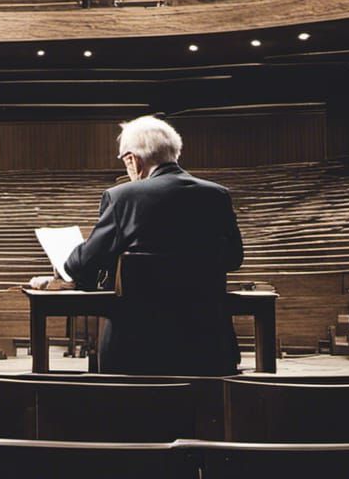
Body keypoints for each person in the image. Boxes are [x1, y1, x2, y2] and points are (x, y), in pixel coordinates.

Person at [30, 115, 243, 375]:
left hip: (135, 350)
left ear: (132, 159)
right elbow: (234, 258)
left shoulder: (122, 198)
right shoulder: (217, 195)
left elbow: (82, 265)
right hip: (208, 347)